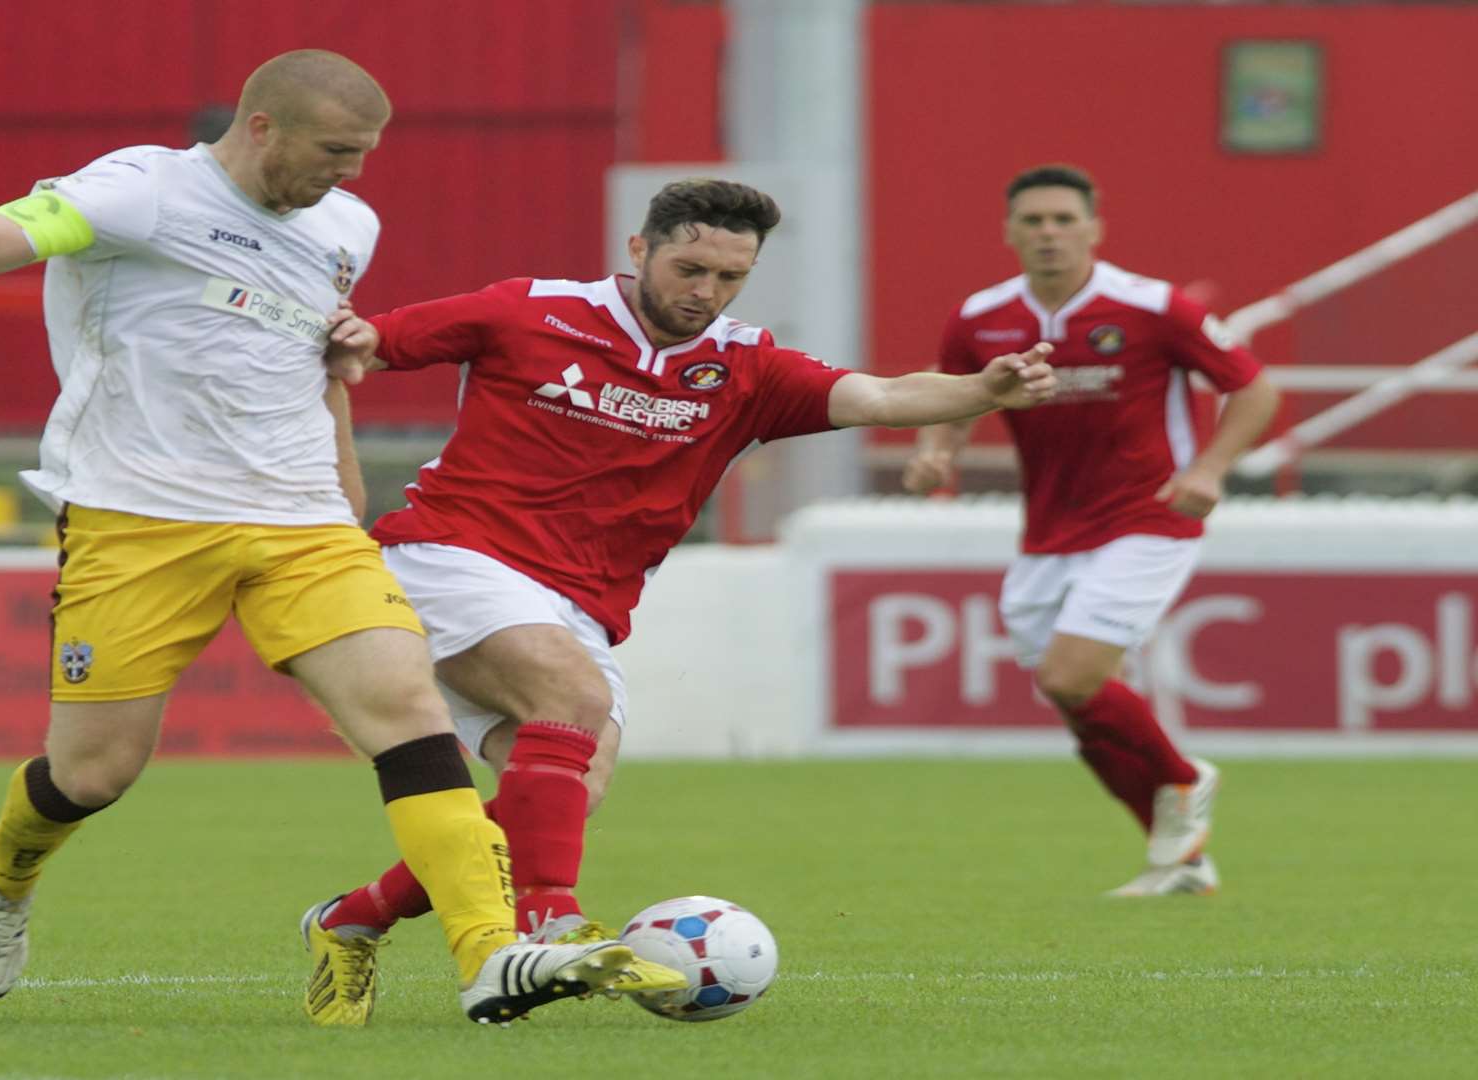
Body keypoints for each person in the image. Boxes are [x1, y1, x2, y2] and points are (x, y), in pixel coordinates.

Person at [0, 49, 649, 1027]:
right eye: (336, 150)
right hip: (140, 519)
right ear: (262, 128)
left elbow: (316, 366)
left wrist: (344, 501)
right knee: (95, 772)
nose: (353, 174)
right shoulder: (137, 194)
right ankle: (4, 879)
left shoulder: (347, 227)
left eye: (366, 154)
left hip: (300, 521)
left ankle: (490, 955)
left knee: (409, 717)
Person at [297, 178, 1060, 1025]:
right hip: (451, 557)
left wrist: (984, 390)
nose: (706, 292)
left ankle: (353, 918)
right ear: (639, 250)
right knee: (572, 700)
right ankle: (549, 921)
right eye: (691, 268)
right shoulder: (529, 312)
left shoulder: (745, 366)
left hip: (576, 606)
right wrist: (344, 339)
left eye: (730, 277)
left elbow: (879, 396)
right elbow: (372, 344)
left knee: (561, 790)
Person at [903, 163, 1281, 897]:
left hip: (1149, 516)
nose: (1049, 233)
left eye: (1063, 220)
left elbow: (1253, 386)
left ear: (1094, 229)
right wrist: (935, 452)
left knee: (1069, 676)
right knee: (1082, 708)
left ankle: (1182, 776)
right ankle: (1180, 859)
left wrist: (1210, 470)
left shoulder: (1150, 306)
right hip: (1049, 530)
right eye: (1034, 221)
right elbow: (959, 394)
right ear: (1010, 231)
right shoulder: (980, 317)